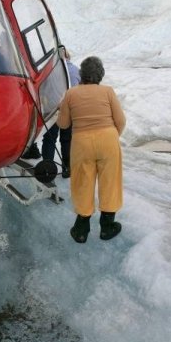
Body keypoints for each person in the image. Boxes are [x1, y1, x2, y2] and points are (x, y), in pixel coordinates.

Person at [57, 56, 126, 243]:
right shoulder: (108, 92)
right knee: (110, 181)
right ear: (100, 74)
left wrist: (60, 110)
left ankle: (81, 229)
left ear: (81, 75)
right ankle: (107, 227)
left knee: (82, 181)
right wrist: (110, 137)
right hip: (108, 140)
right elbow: (120, 121)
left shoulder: (71, 94)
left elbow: (63, 125)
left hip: (82, 142)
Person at [42, 48, 81, 178]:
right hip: (70, 110)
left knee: (49, 139)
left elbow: (44, 90)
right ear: (68, 56)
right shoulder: (76, 70)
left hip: (53, 110)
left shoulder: (50, 72)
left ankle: (47, 171)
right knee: (67, 139)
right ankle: (67, 168)